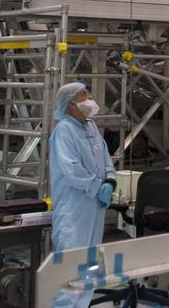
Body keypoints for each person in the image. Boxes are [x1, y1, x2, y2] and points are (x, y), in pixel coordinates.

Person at [48, 82, 117, 251]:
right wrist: (97, 187)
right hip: (74, 207)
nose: (90, 97)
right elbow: (72, 170)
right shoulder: (64, 130)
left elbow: (105, 157)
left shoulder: (91, 126)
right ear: (71, 103)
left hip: (95, 207)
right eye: (84, 94)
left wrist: (110, 181)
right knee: (71, 259)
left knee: (91, 259)